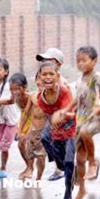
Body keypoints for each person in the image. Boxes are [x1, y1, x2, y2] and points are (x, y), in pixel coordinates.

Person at [60, 46, 100, 199]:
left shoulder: (97, 77)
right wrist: (66, 110)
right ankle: (82, 190)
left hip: (96, 118)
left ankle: (93, 162)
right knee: (79, 159)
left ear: (94, 61)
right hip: (81, 119)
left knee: (86, 133)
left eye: (84, 60)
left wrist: (99, 105)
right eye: (78, 61)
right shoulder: (79, 79)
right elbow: (77, 99)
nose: (80, 64)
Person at [37, 61, 76, 199]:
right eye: (44, 74)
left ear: (57, 76)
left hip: (70, 128)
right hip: (55, 128)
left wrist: (61, 116)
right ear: (40, 78)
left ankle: (68, 195)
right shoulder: (41, 98)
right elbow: (48, 117)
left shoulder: (64, 92)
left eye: (51, 74)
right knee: (45, 137)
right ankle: (61, 166)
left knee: (70, 161)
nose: (47, 77)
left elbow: (70, 113)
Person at [36, 47, 68, 181]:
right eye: (44, 60)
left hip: (64, 119)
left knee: (56, 141)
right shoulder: (44, 78)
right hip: (52, 119)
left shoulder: (61, 83)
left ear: (58, 65)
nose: (45, 62)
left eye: (49, 60)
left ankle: (64, 167)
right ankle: (61, 166)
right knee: (47, 139)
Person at [17, 72, 47, 181]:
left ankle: (39, 178)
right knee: (29, 153)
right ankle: (29, 169)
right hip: (33, 130)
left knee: (40, 156)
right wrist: (20, 129)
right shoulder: (33, 96)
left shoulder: (50, 97)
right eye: (37, 79)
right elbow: (25, 114)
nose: (39, 82)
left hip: (44, 132)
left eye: (42, 79)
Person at [9, 72, 33, 179]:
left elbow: (34, 116)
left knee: (29, 143)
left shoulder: (30, 97)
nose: (15, 92)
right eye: (12, 89)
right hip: (24, 118)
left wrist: (27, 132)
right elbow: (9, 101)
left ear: (25, 87)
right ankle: (29, 166)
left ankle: (31, 167)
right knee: (20, 144)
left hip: (35, 119)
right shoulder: (15, 96)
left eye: (17, 89)